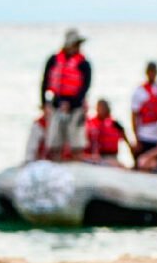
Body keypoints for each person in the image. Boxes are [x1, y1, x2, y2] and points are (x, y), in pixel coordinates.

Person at [40, 29, 92, 161]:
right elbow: (45, 82)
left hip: (75, 108)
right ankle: (56, 165)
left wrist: (71, 104)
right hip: (56, 106)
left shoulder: (83, 64)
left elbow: (85, 88)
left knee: (76, 143)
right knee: (54, 143)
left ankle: (76, 166)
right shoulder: (53, 60)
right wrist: (44, 103)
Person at [130, 61, 157, 162]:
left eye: (154, 72)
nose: (152, 74)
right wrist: (136, 137)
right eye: (150, 71)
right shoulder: (139, 92)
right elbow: (134, 116)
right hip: (144, 135)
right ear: (146, 72)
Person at [84, 99, 132, 167]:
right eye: (99, 107)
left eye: (103, 107)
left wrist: (131, 148)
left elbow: (125, 138)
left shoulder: (115, 124)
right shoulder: (90, 123)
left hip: (111, 156)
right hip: (94, 156)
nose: (101, 109)